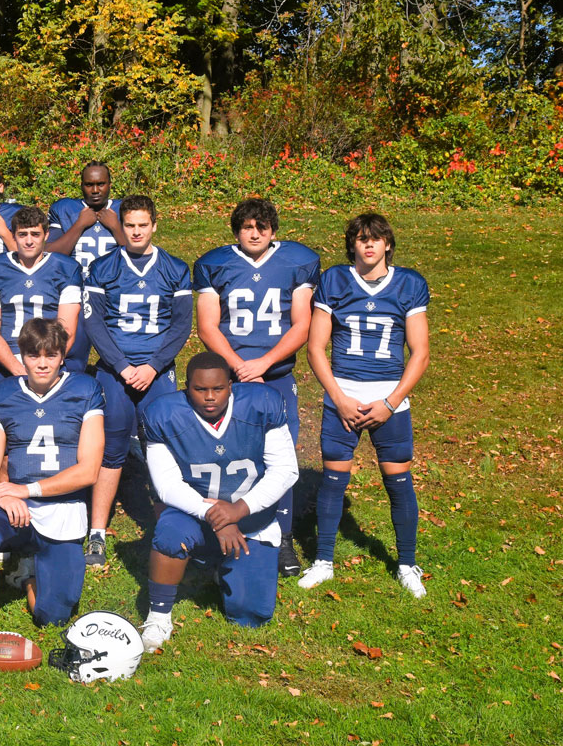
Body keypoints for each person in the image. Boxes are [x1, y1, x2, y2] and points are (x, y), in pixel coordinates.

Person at [300, 214, 430, 598]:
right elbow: (314, 347)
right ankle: (323, 561)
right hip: (343, 397)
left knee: (399, 482)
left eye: (375, 239)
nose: (368, 245)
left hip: (389, 399)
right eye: (360, 239)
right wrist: (339, 398)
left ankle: (407, 564)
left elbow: (420, 353)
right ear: (351, 245)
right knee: (333, 480)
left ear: (388, 243)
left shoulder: (409, 284)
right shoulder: (335, 281)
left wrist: (391, 402)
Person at [193, 198, 320, 577]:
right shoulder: (215, 264)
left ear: (274, 231)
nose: (254, 233)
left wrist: (263, 364)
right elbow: (207, 326)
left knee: (280, 460)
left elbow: (302, 324)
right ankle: (220, 528)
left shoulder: (296, 262)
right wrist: (240, 367)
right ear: (236, 231)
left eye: (261, 227)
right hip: (230, 377)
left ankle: (281, 538)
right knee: (224, 455)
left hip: (276, 376)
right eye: (247, 227)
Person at [139, 352, 299, 648]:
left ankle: (215, 566)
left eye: (218, 388)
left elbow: (286, 470)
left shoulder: (262, 403)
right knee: (171, 532)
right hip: (192, 513)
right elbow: (167, 487)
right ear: (187, 387)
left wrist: (238, 510)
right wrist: (217, 516)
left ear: (231, 385)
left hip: (251, 517)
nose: (210, 397)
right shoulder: (163, 414)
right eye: (200, 390)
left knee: (252, 614)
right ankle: (159, 615)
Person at [0, 320, 104, 653]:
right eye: (33, 355)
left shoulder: (85, 390)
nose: (42, 363)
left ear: (62, 356)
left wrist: (24, 491)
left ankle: (27, 574)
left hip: (63, 509)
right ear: (22, 356)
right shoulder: (6, 393)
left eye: (51, 355)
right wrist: (0, 491)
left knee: (51, 617)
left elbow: (88, 471)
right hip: (14, 506)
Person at [81, 195, 193, 568]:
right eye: (130, 225)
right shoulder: (103, 267)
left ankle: (167, 529)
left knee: (161, 448)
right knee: (110, 451)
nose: (136, 231)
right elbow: (94, 322)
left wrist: (153, 366)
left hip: (157, 373)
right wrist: (123, 365)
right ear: (122, 227)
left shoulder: (175, 269)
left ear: (155, 225)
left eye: (143, 225)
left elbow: (181, 325)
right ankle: (97, 532)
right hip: (116, 371)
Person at [0, 206, 82, 382]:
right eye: (22, 234)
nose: (29, 241)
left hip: (49, 362)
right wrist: (17, 368)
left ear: (46, 235)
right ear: (13, 235)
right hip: (8, 362)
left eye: (35, 234)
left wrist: (46, 366)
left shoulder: (66, 268)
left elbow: (67, 330)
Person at [46, 161, 123, 372]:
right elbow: (51, 254)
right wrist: (79, 225)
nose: (96, 190)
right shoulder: (65, 209)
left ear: (110, 184)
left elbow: (139, 251)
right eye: (89, 184)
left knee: (122, 354)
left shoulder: (123, 209)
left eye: (101, 184)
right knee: (71, 354)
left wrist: (116, 228)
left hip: (114, 294)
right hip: (75, 292)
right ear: (81, 185)